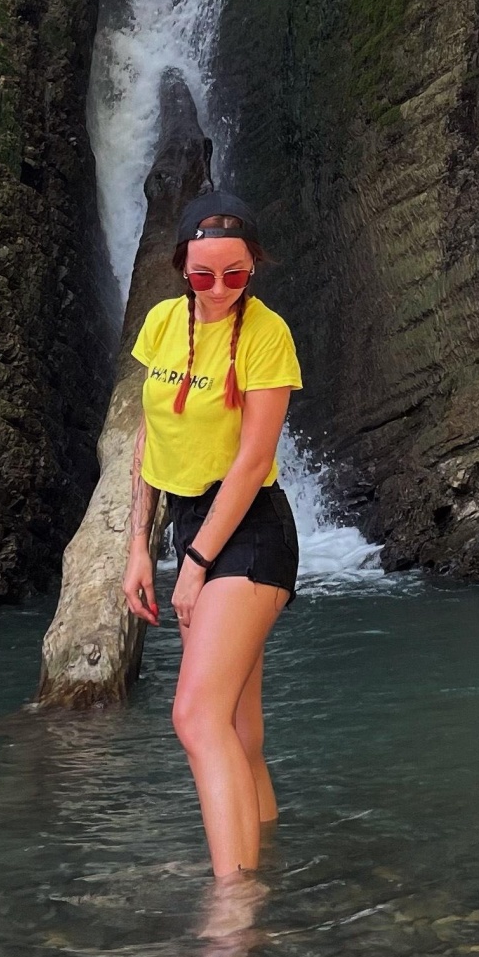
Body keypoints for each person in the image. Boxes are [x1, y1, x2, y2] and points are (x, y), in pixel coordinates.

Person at [123, 188, 302, 881]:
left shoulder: (266, 333)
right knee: (237, 731)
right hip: (190, 525)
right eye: (204, 275)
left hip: (251, 530)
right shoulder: (163, 325)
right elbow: (149, 438)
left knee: (195, 718)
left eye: (237, 274)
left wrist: (193, 566)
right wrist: (141, 545)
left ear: (254, 267)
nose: (221, 288)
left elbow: (254, 459)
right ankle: (269, 866)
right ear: (181, 268)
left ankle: (234, 914)